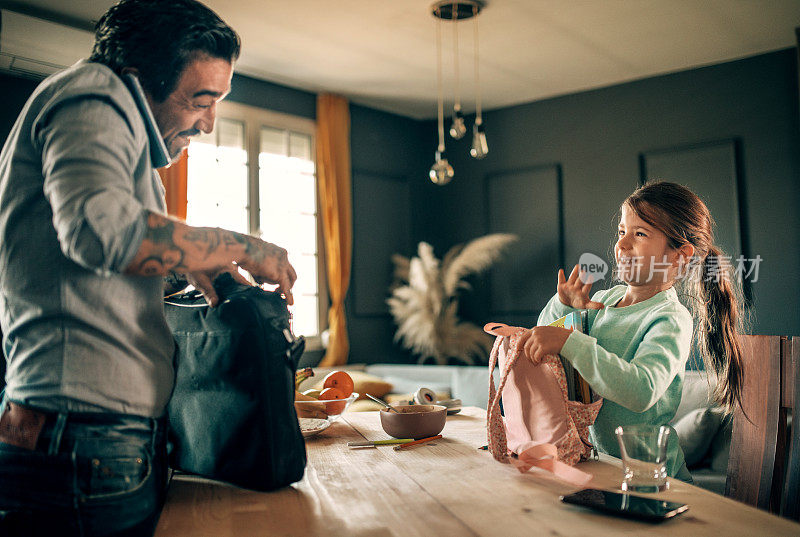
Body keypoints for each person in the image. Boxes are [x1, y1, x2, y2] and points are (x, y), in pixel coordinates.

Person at [0, 1, 295, 535]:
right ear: (138, 81)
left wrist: (190, 268)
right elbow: (100, 233)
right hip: (84, 440)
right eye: (201, 101)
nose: (208, 123)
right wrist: (235, 245)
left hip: (94, 439)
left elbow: (102, 265)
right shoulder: (95, 94)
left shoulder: (118, 128)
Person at [518, 181, 745, 481]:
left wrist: (570, 342)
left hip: (653, 478)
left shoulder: (670, 318)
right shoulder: (605, 302)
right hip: (603, 467)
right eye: (622, 232)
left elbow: (642, 389)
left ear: (679, 255)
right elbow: (549, 348)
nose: (622, 245)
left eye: (639, 234)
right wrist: (563, 307)